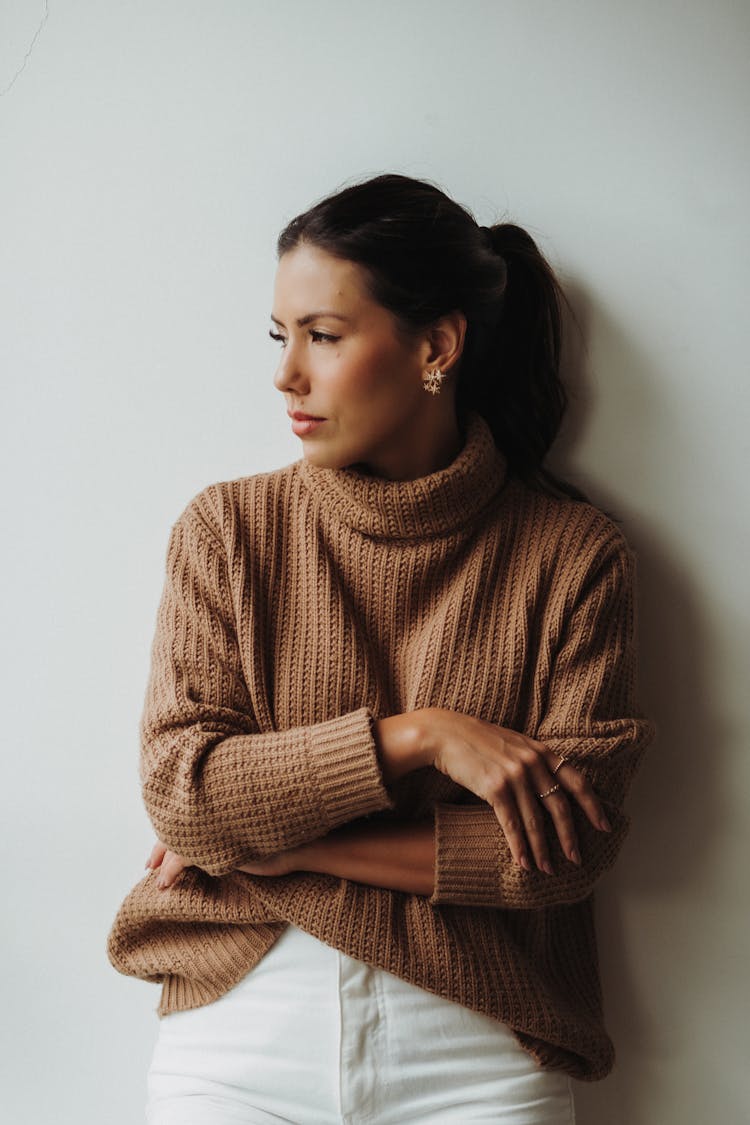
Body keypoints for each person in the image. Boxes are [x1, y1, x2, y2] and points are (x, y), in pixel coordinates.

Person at [107, 173, 655, 1124]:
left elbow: (559, 857)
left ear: (436, 345)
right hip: (241, 1030)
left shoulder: (572, 557)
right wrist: (422, 736)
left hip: (479, 1043)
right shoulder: (229, 531)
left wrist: (292, 842)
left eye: (324, 335)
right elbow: (186, 796)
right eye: (282, 338)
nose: (287, 374)